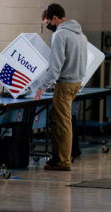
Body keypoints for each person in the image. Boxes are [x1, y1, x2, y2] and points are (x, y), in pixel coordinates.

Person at [34, 3, 87, 171]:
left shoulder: (60, 35)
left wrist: (43, 86)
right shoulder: (81, 35)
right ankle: (58, 157)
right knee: (56, 118)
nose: (48, 26)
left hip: (64, 84)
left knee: (63, 123)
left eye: (48, 22)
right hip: (76, 82)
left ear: (55, 19)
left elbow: (56, 65)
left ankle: (63, 161)